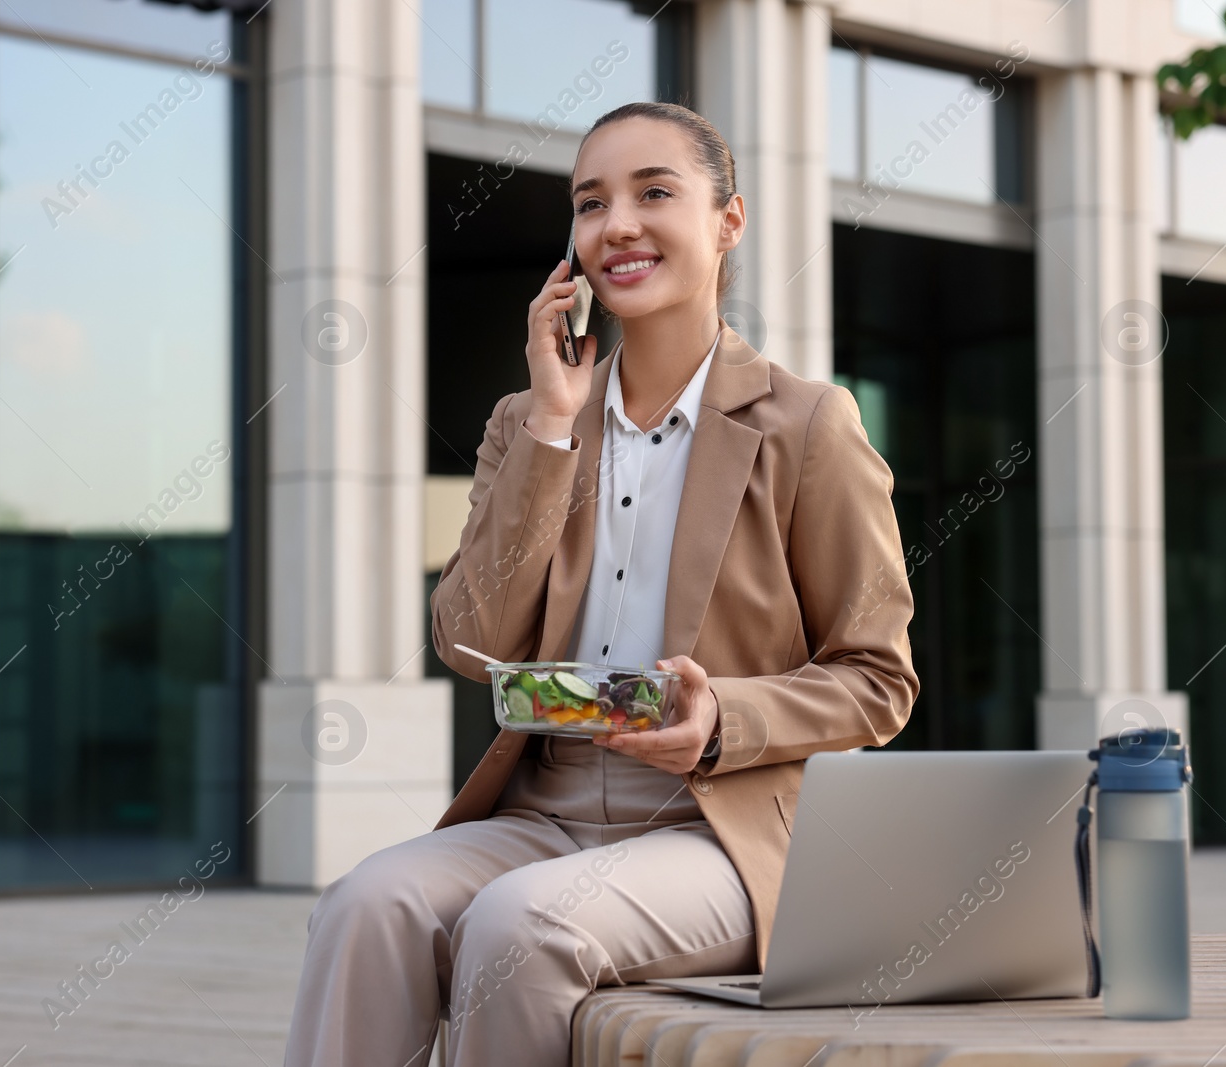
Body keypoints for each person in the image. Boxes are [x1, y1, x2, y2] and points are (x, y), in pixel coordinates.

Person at [283, 101, 918, 1067]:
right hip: (545, 808)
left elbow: (879, 679)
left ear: (727, 221)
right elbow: (467, 638)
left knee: (519, 928)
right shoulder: (527, 420)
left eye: (653, 192)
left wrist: (723, 719)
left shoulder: (807, 425)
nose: (615, 224)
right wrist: (550, 424)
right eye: (590, 203)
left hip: (721, 828)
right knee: (368, 901)